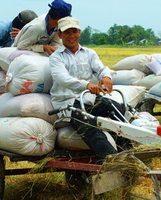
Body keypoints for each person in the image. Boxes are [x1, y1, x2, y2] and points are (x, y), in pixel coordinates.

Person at [49, 16, 131, 161]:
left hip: (88, 98)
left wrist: (106, 77)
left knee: (115, 108)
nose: (71, 36)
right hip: (67, 102)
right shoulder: (56, 57)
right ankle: (112, 160)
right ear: (60, 35)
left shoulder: (89, 53)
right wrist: (86, 85)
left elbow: (101, 68)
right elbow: (62, 78)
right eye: (67, 32)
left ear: (79, 32)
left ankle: (128, 152)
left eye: (74, 31)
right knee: (87, 123)